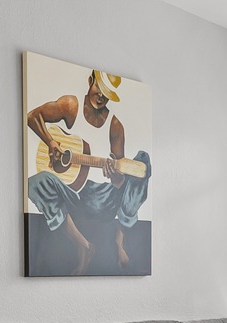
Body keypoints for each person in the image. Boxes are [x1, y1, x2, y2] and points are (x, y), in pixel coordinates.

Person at [25, 70, 152, 274]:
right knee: (34, 182)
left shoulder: (115, 125)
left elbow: (119, 183)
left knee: (144, 161)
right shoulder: (70, 106)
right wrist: (50, 142)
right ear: (90, 80)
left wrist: (114, 175)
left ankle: (120, 240)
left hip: (104, 198)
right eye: (99, 88)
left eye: (107, 94)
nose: (101, 96)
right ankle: (84, 246)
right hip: (73, 194)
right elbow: (32, 117)